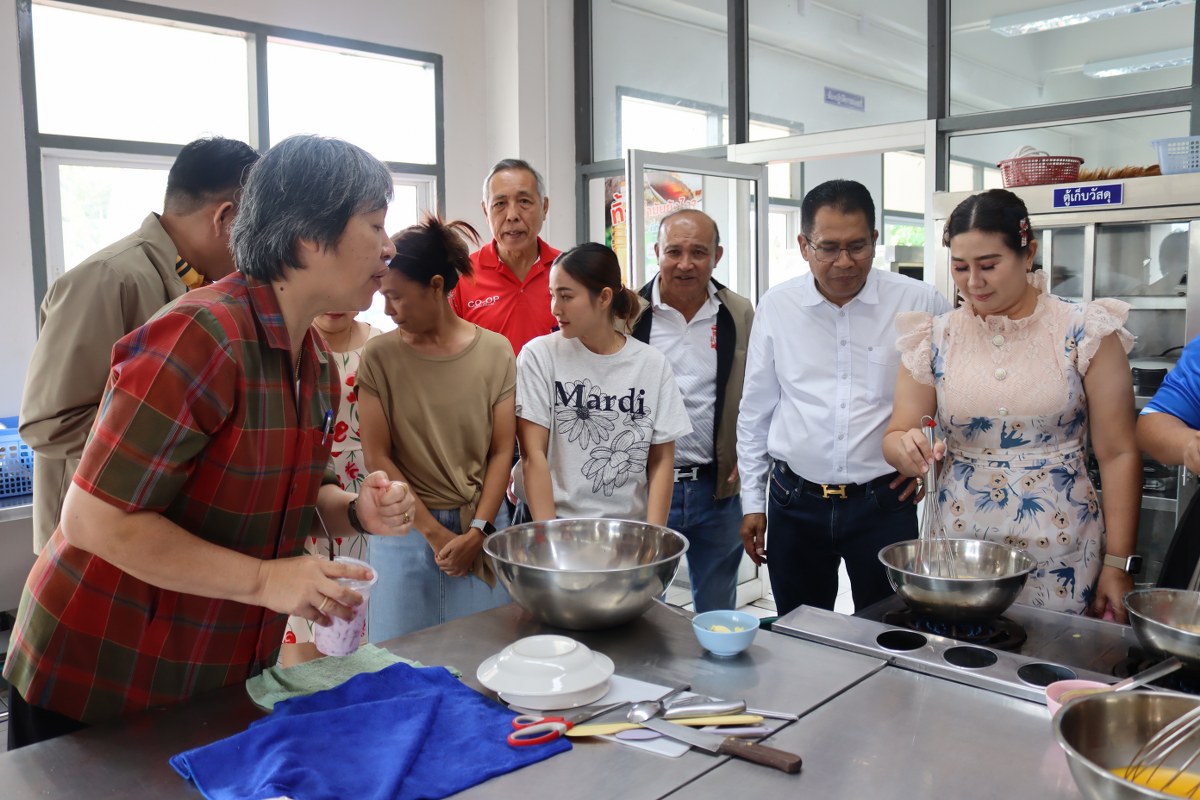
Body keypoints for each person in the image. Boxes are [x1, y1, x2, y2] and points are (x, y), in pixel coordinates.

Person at [4, 135, 417, 750]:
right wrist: (267, 581)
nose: (389, 247)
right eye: (376, 224)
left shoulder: (313, 361)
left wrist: (356, 509)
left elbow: (296, 490)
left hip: (205, 669)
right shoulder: (202, 334)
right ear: (309, 235)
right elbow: (92, 518)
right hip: (100, 672)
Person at [883, 188, 1141, 621]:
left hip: (1062, 546)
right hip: (960, 545)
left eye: (988, 265)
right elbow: (896, 434)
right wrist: (907, 449)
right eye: (960, 267)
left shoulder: (1084, 331)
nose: (973, 282)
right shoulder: (933, 337)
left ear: (1028, 254)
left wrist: (1118, 563)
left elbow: (1118, 453)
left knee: (1054, 655)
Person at [19, 136, 261, 555]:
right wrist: (181, 442)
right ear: (225, 217)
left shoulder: (200, 284)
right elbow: (48, 424)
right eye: (255, 225)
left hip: (145, 531)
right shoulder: (107, 279)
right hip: (87, 543)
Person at [738, 179, 950, 617]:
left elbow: (953, 395)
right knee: (801, 629)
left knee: (890, 629)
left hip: (883, 503)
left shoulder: (919, 302)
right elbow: (756, 411)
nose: (845, 261)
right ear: (804, 245)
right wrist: (752, 502)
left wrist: (929, 462)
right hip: (794, 501)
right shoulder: (778, 306)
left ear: (875, 239)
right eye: (829, 248)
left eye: (857, 246)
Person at [357, 216, 515, 641]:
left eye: (396, 297)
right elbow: (377, 456)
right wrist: (433, 532)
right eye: (383, 297)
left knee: (484, 659)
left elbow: (502, 450)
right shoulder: (379, 357)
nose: (387, 311)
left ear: (435, 285)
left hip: (480, 525)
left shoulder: (495, 352)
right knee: (398, 661)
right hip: (403, 528)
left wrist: (477, 532)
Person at [630, 209, 753, 612]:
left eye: (698, 252)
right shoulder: (627, 313)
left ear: (717, 256)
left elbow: (759, 391)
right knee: (644, 608)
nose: (685, 264)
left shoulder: (738, 313)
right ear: (657, 252)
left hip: (716, 490)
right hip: (644, 488)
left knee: (717, 612)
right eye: (674, 252)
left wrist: (751, 455)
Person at [515, 243, 691, 525]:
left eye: (566, 296)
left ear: (604, 297)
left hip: (627, 528)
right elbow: (531, 455)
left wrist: (653, 536)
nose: (555, 308)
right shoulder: (539, 356)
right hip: (555, 522)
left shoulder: (652, 364)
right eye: (552, 295)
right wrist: (549, 538)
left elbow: (661, 461)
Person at [280, 310, 382, 665]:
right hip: (305, 485)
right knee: (303, 615)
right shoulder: (290, 344)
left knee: (360, 599)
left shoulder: (379, 345)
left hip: (364, 486)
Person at [450, 158, 561, 357]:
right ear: (486, 211)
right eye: (500, 204)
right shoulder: (462, 275)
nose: (512, 215)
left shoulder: (569, 271)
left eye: (524, 201)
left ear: (544, 207)